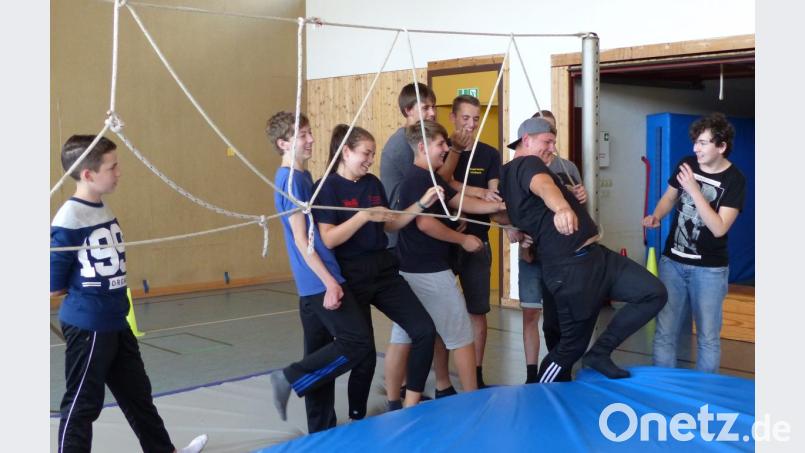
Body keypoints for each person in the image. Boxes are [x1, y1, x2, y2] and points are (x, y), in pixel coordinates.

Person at [51, 135, 208, 453]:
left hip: (116, 322)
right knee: (83, 404)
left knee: (138, 395)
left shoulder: (100, 207)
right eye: (113, 167)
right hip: (90, 326)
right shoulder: (69, 218)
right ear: (88, 175)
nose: (119, 172)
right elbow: (53, 284)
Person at [500, 117, 666, 382]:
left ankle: (599, 353)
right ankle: (541, 396)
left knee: (653, 293)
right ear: (526, 140)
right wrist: (562, 207)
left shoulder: (509, 176)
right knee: (571, 347)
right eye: (547, 142)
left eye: (554, 142)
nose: (552, 149)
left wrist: (566, 198)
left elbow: (517, 204)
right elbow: (543, 187)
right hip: (571, 268)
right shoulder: (526, 163)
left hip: (597, 258)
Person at [315, 124, 440, 411]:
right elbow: (329, 238)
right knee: (365, 354)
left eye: (372, 154)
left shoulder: (372, 184)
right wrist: (362, 217)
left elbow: (391, 223)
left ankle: (411, 404)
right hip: (350, 273)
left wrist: (421, 203)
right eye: (365, 153)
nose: (370, 160)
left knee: (423, 330)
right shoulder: (328, 187)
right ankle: (357, 416)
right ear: (346, 152)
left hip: (382, 269)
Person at [266, 112, 374, 433]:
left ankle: (321, 429)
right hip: (317, 280)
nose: (311, 139)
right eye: (302, 136)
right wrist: (329, 281)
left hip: (311, 282)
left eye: (310, 133)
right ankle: (289, 377)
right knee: (358, 344)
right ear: (283, 143)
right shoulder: (289, 181)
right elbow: (301, 239)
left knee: (318, 353)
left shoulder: (302, 176)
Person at [387, 119, 507, 396]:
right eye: (441, 144)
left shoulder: (431, 178)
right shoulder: (417, 179)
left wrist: (499, 205)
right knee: (461, 336)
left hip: (413, 269)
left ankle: (394, 402)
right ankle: (472, 399)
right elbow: (425, 224)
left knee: (403, 336)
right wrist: (462, 239)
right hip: (428, 271)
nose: (446, 149)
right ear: (422, 147)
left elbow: (460, 202)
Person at [378, 82, 472, 402]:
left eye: (433, 107)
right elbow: (418, 209)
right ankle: (403, 394)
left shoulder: (422, 156)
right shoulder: (404, 152)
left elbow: (440, 188)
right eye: (426, 108)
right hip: (409, 251)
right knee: (429, 330)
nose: (432, 112)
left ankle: (427, 390)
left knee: (417, 330)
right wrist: (458, 234)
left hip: (418, 250)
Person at [646, 112, 746, 373]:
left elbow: (719, 227)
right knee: (665, 331)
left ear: (721, 146)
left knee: (708, 337)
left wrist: (693, 190)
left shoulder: (735, 180)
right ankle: (662, 389)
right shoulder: (687, 164)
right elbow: (669, 197)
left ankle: (704, 395)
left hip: (710, 270)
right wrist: (657, 214)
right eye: (696, 142)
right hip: (672, 263)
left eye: (703, 143)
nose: (695, 148)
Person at [436, 95, 503, 388]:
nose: (470, 124)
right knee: (440, 313)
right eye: (465, 118)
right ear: (452, 117)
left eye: (476, 119)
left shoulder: (489, 154)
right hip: (445, 242)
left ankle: (475, 374)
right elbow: (442, 182)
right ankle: (442, 380)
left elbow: (495, 197)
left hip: (477, 242)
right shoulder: (442, 150)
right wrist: (473, 195)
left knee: (478, 310)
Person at [516, 110, 587, 383]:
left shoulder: (567, 168)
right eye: (545, 138)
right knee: (532, 313)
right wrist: (515, 232)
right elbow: (510, 208)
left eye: (552, 136)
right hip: (531, 254)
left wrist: (580, 198)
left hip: (560, 256)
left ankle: (561, 370)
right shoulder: (518, 166)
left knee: (561, 317)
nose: (551, 145)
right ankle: (532, 374)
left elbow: (578, 215)